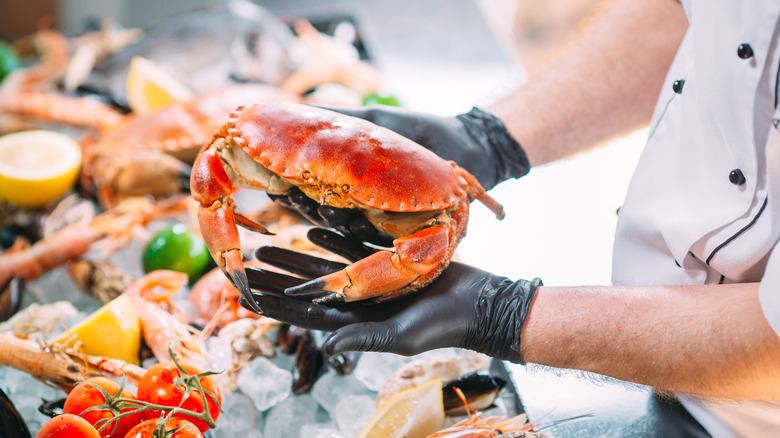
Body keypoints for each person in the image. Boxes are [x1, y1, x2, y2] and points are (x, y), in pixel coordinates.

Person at [240, 0, 780, 436]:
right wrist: (492, 137)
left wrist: (502, 315)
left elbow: (772, 346)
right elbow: (703, 15)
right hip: (647, 356)